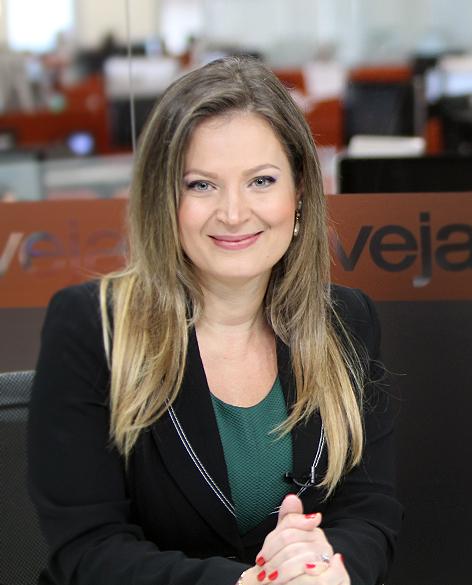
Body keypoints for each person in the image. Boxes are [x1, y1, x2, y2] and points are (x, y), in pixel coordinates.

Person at [28, 56, 402, 585]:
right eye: (202, 185)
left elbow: (369, 510)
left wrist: (327, 571)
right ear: (164, 198)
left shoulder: (345, 321)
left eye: (261, 181)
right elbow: (88, 549)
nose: (233, 212)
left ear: (299, 194)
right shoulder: (93, 326)